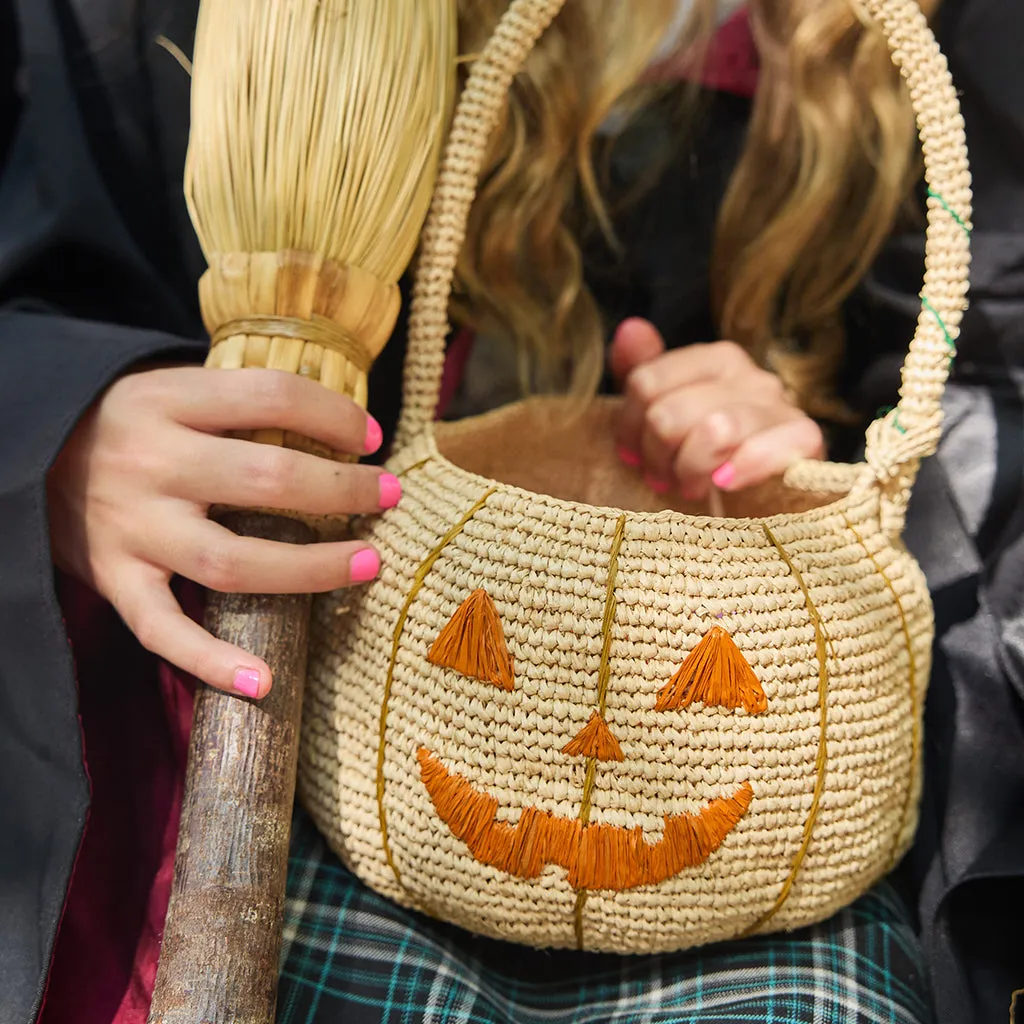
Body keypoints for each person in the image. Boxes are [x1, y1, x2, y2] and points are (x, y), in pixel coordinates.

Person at [0, 0, 1021, 1022]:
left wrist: (802, 442)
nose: (591, 749)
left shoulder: (933, 43)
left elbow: (974, 390)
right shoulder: (209, 33)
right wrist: (61, 426)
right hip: (269, 774)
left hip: (759, 874)